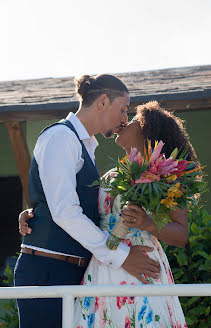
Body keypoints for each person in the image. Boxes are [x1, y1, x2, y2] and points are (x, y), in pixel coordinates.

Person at [15, 75, 160, 328]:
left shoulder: (84, 146)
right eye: (123, 109)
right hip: (49, 270)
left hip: (73, 271)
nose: (126, 119)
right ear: (103, 101)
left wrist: (38, 211)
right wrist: (122, 256)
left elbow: (63, 204)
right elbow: (65, 211)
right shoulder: (61, 137)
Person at [71, 101, 193, 327]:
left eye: (134, 119)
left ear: (148, 130)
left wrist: (147, 223)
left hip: (142, 271)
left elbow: (181, 234)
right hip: (104, 266)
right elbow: (75, 212)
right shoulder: (111, 176)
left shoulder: (167, 175)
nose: (125, 121)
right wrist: (33, 214)